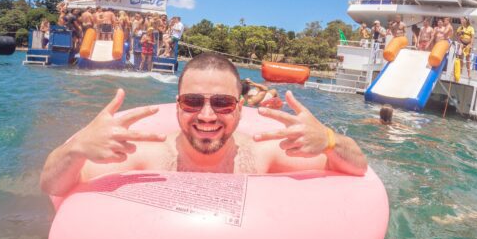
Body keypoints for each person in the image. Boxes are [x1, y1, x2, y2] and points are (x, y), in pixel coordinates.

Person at [40, 53, 368, 197]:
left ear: (240, 109)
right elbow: (55, 186)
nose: (207, 115)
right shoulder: (148, 157)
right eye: (193, 102)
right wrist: (77, 147)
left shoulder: (263, 155)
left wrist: (327, 138)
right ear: (178, 105)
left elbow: (356, 168)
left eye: (222, 103)